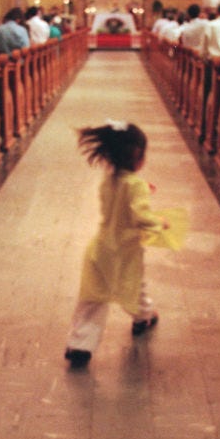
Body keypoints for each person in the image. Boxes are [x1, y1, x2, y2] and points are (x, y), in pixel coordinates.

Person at [64, 121, 166, 368]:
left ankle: (79, 345)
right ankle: (143, 317)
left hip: (100, 251)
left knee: (92, 299)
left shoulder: (108, 181)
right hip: (125, 253)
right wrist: (159, 222)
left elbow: (121, 199)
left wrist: (143, 190)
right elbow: (139, 215)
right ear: (138, 158)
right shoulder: (136, 186)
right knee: (134, 285)